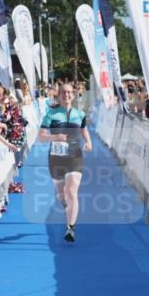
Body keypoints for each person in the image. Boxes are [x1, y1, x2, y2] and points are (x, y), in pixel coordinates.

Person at [38, 82, 92, 243]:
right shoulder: (51, 114)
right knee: (62, 194)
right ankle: (65, 204)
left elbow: (83, 129)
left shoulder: (80, 114)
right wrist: (55, 137)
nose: (66, 95)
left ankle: (70, 228)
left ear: (73, 95)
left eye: (69, 92)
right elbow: (40, 137)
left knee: (71, 191)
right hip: (56, 157)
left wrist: (88, 141)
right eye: (63, 93)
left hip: (75, 155)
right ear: (59, 95)